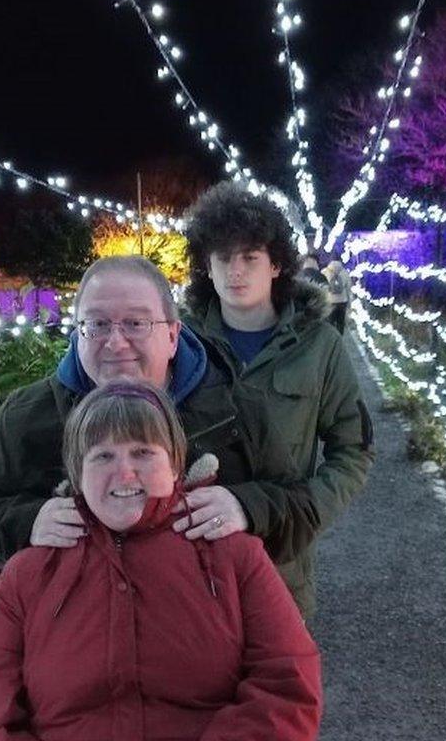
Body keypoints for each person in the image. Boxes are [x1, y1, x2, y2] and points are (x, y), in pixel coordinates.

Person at [0, 380, 322, 741]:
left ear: (175, 464)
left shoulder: (232, 556)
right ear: (78, 474)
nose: (125, 472)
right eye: (103, 456)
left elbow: (286, 684)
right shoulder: (30, 575)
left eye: (143, 452)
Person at [0, 255, 317, 576]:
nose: (116, 342)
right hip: (85, 642)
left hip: (213, 637)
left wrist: (247, 508)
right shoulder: (29, 417)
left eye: (136, 324)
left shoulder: (237, 408)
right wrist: (28, 524)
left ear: (172, 336)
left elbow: (301, 507)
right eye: (98, 324)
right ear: (77, 333)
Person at [182, 183, 373, 617]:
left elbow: (354, 450)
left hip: (280, 564)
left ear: (276, 265)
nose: (236, 271)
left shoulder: (320, 345)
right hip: (191, 562)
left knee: (280, 678)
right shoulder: (180, 343)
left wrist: (303, 515)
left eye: (250, 257)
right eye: (223, 258)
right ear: (205, 267)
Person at [323, 259, 351, 335]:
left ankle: (331, 339)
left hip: (330, 301)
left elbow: (322, 287)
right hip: (342, 301)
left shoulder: (324, 272)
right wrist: (349, 303)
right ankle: (340, 339)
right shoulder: (344, 272)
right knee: (340, 322)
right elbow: (348, 288)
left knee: (330, 322)